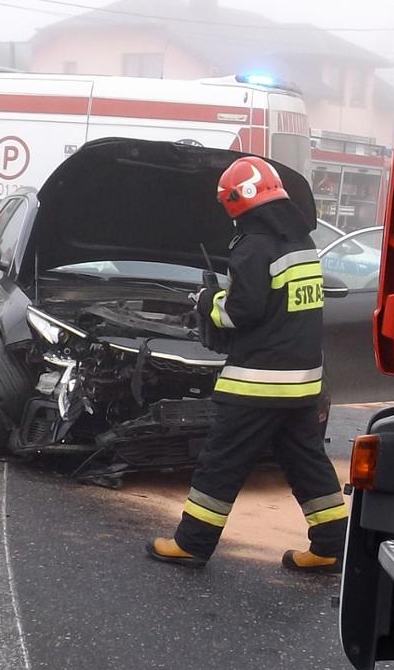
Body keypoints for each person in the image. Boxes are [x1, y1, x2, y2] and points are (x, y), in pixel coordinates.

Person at [146, 156, 346, 574]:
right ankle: (332, 546)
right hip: (303, 383)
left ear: (236, 201)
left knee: (221, 462)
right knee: (307, 464)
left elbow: (242, 312)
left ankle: (192, 544)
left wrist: (207, 303)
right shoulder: (300, 242)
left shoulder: (254, 245)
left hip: (257, 385)